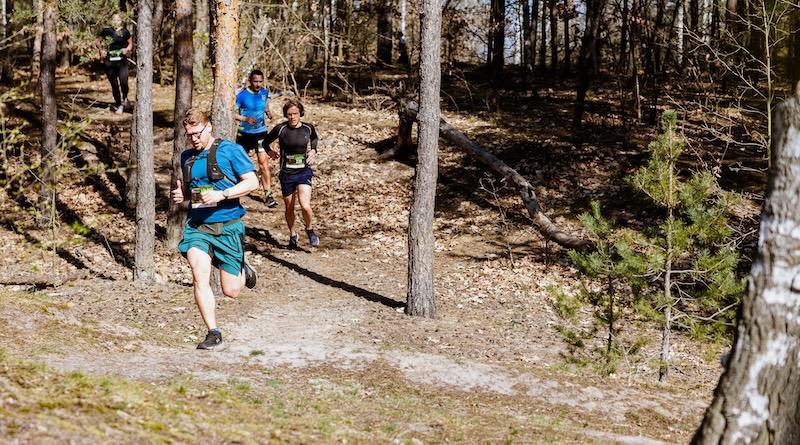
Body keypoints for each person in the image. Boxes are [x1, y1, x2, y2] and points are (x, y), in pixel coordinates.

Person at [171, 108, 260, 351]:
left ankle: (242, 266)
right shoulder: (187, 157)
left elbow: (253, 182)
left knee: (231, 291)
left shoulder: (230, 150)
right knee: (199, 273)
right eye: (189, 135)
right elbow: (192, 190)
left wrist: (222, 194)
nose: (193, 139)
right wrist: (183, 195)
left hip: (228, 225)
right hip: (197, 225)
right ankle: (213, 332)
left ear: (208, 127)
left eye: (197, 133)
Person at [263, 99, 320, 249]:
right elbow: (265, 142)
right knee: (289, 208)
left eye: (295, 113)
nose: (293, 117)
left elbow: (314, 138)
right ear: (285, 115)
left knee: (305, 205)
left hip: (303, 171)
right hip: (287, 173)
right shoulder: (280, 129)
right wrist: (270, 152)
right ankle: (293, 235)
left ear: (300, 112)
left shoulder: (308, 128)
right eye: (289, 114)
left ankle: (309, 229)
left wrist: (313, 150)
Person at [235, 69, 278, 208]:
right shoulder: (242, 95)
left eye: (260, 81)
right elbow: (230, 112)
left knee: (263, 164)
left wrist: (269, 113)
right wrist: (245, 118)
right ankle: (236, 192)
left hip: (261, 133)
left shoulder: (265, 93)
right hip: (244, 134)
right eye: (255, 81)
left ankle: (268, 194)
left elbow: (265, 106)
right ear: (250, 81)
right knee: (239, 164)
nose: (258, 84)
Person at [97, 13, 133, 115]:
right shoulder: (106, 31)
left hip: (122, 61)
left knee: (124, 81)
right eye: (114, 20)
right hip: (109, 61)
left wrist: (127, 49)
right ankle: (119, 105)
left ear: (121, 21)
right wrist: (101, 51)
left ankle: (125, 98)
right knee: (114, 84)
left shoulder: (125, 32)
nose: (115, 22)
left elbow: (130, 44)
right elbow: (98, 42)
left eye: (117, 20)